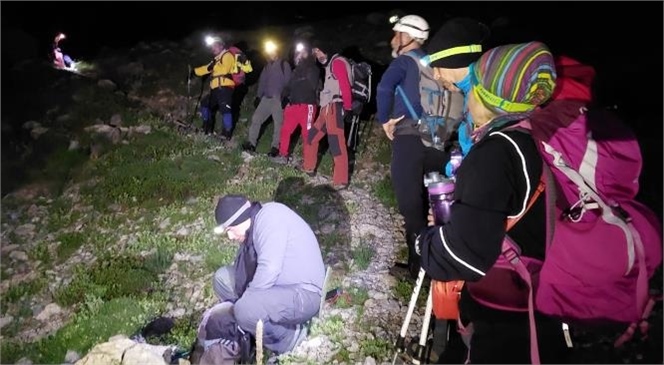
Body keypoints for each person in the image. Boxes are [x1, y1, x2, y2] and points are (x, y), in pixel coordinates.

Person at [416, 42, 570, 363]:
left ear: (488, 98)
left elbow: (464, 257)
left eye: (475, 85)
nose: (468, 92)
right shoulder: (536, 131)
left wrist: (426, 242)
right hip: (545, 298)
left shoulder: (495, 154)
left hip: (507, 314)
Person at [376, 14, 453, 279]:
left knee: (411, 205)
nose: (392, 39)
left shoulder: (404, 61)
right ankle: (444, 258)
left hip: (409, 139)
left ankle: (419, 267)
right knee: (435, 202)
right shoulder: (432, 63)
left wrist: (384, 120)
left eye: (397, 34)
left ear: (407, 37)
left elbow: (385, 88)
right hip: (436, 139)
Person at [211, 194, 325, 355]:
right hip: (278, 290)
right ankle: (251, 327)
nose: (230, 237)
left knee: (245, 309)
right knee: (222, 278)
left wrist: (246, 301)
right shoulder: (255, 225)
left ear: (240, 219)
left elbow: (269, 268)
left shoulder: (270, 218)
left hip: (304, 294)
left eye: (230, 230)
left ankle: (289, 337)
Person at [425, 17, 490, 174]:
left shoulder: (482, 97)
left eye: (437, 67)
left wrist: (455, 172)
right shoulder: (477, 87)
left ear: (452, 63)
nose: (435, 75)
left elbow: (484, 157)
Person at [302, 44, 353, 190]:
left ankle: (341, 180)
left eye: (319, 51)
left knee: (336, 142)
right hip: (326, 108)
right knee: (312, 137)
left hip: (334, 107)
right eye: (315, 53)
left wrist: (348, 108)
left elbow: (344, 85)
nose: (318, 55)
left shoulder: (337, 62)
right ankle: (308, 167)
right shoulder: (330, 65)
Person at [271, 41, 321, 165]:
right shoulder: (296, 71)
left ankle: (308, 163)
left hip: (307, 105)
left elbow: (312, 85)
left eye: (303, 52)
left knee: (307, 134)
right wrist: (285, 99)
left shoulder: (313, 68)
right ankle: (283, 155)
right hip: (293, 106)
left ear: (308, 54)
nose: (299, 54)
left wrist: (303, 66)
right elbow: (289, 86)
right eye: (298, 52)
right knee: (285, 130)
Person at [242, 41, 292, 157]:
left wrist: (286, 98)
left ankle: (275, 147)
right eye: (269, 52)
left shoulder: (284, 64)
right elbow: (262, 82)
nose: (270, 54)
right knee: (256, 118)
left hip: (278, 99)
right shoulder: (267, 66)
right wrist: (258, 96)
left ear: (277, 52)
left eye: (272, 51)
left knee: (278, 124)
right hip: (266, 98)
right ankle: (251, 143)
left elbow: (289, 82)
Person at [193, 35, 236, 138]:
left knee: (225, 109)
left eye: (215, 46)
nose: (212, 49)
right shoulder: (216, 60)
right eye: (211, 47)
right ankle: (206, 127)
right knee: (205, 103)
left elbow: (225, 69)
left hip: (225, 87)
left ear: (221, 46)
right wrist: (194, 72)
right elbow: (205, 69)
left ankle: (227, 134)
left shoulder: (228, 55)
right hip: (216, 88)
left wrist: (213, 67)